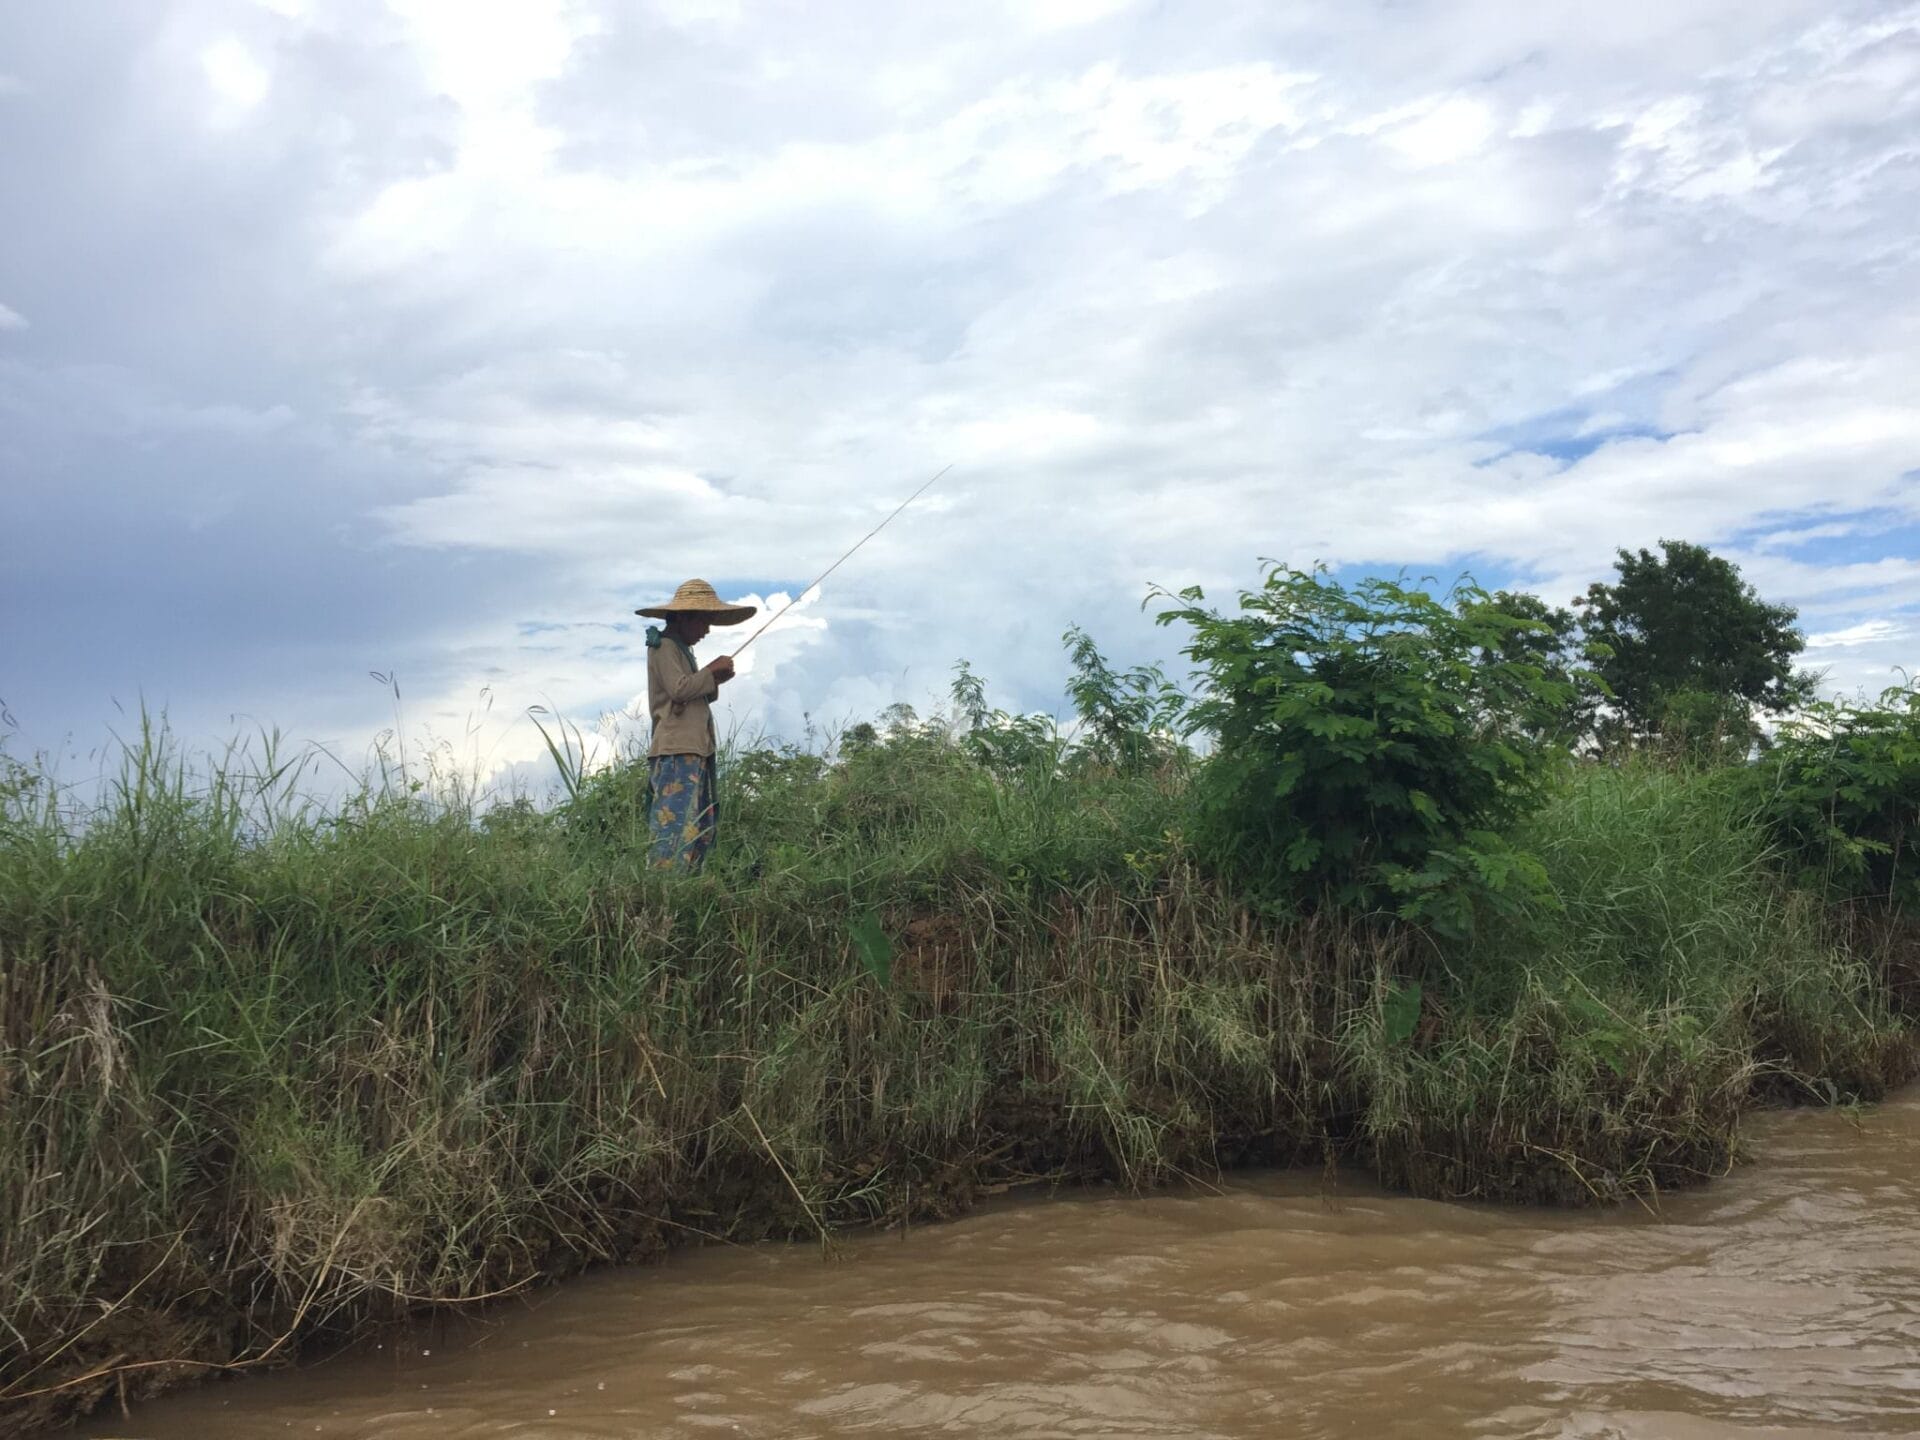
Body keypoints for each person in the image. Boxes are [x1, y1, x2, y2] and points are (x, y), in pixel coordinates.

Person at [635, 579, 755, 872]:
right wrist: (711, 671)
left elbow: (688, 693)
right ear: (686, 617)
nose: (707, 630)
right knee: (674, 824)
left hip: (694, 749)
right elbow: (679, 689)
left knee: (698, 823)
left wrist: (712, 679)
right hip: (677, 751)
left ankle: (689, 884)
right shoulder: (663, 646)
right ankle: (664, 887)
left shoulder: (681, 650)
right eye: (703, 621)